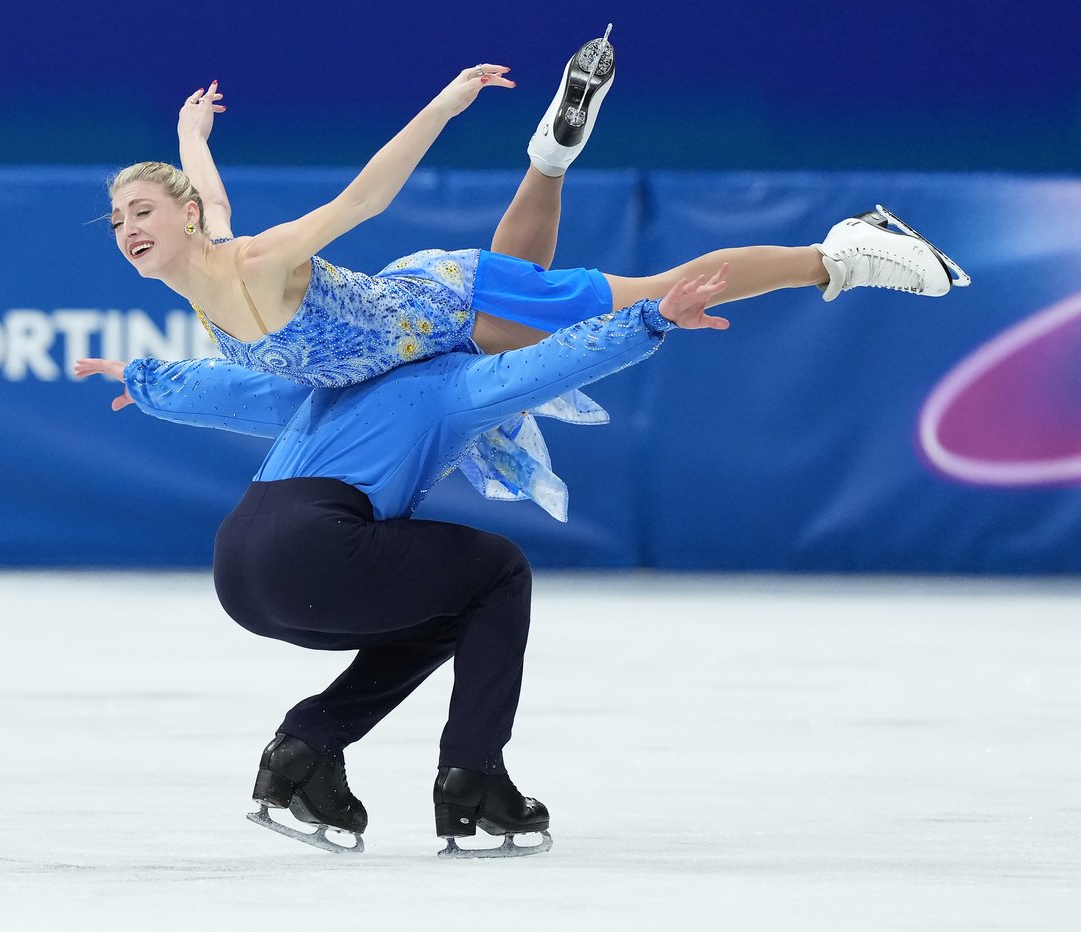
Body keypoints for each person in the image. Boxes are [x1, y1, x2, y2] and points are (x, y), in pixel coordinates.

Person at [77, 265, 731, 859]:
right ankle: (473, 776)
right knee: (499, 570)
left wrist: (147, 382)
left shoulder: (347, 375)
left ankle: (309, 747)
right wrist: (651, 319)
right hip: (318, 552)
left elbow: (243, 391)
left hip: (241, 564)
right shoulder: (456, 379)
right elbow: (551, 365)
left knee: (453, 603)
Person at [106, 31, 969, 390]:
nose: (128, 229)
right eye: (117, 221)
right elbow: (205, 191)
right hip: (434, 312)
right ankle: (551, 157)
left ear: (180, 218)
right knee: (535, 287)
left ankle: (844, 251)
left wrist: (446, 104)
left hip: (446, 309)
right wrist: (191, 132)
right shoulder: (199, 262)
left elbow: (367, 195)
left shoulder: (255, 260)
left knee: (659, 294)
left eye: (141, 211)